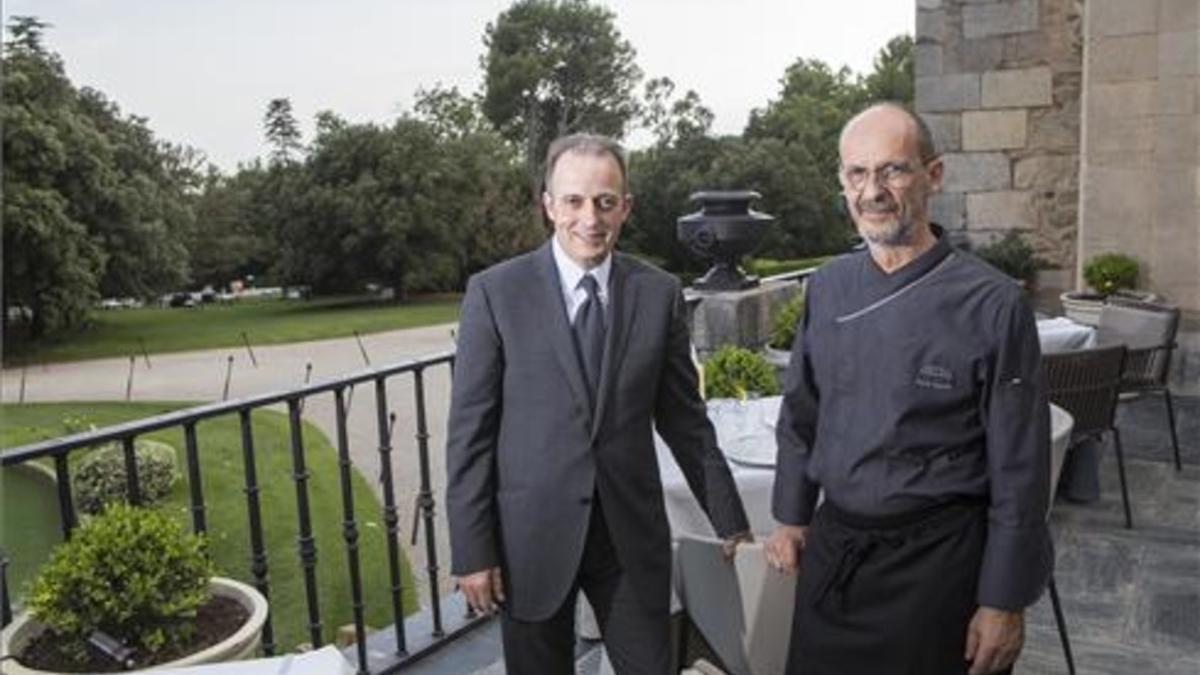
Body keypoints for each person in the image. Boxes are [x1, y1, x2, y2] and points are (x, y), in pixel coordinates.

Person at [446, 133, 751, 675]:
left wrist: (730, 519)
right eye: (574, 201)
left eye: (605, 201)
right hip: (530, 542)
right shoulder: (495, 294)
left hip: (629, 542)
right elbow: (469, 435)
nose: (590, 217)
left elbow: (686, 422)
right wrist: (473, 551)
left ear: (626, 207)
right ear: (548, 204)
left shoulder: (657, 294)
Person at [764, 103, 1052, 675]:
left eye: (893, 171)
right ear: (843, 183)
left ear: (934, 175)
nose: (874, 191)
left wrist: (1003, 599)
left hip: (937, 568)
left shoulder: (994, 304)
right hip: (835, 555)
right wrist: (792, 516)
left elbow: (1021, 468)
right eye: (857, 174)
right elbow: (803, 410)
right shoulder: (828, 286)